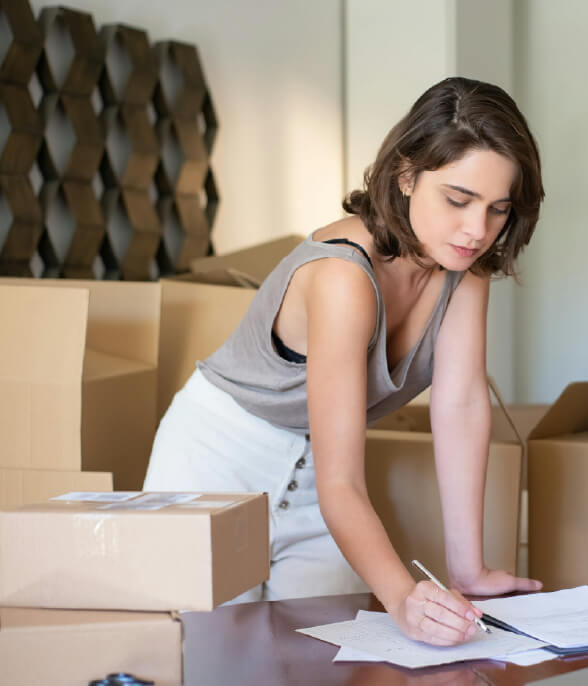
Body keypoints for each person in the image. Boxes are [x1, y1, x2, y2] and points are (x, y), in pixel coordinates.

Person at [144, 77, 544, 646]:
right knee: (209, 660)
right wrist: (402, 597)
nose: (477, 230)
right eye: (458, 200)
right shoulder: (342, 277)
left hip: (316, 476)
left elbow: (458, 407)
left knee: (318, 661)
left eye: (497, 209)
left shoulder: (465, 272)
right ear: (406, 175)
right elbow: (343, 481)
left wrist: (468, 571)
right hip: (216, 464)